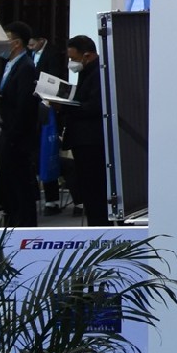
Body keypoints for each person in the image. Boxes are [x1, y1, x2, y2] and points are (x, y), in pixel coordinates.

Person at [0, 21, 42, 228]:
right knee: (9, 183)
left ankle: (25, 227)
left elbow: (24, 106)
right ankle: (13, 222)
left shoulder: (26, 67)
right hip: (7, 131)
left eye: (6, 39)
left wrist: (13, 135)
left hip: (18, 138)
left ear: (16, 43)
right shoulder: (9, 65)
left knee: (21, 184)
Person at [60, 35, 110, 226]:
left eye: (73, 58)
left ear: (87, 55)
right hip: (83, 140)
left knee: (94, 189)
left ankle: (99, 226)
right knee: (89, 189)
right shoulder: (87, 71)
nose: (71, 63)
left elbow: (94, 106)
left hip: (91, 141)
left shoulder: (98, 73)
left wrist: (66, 106)